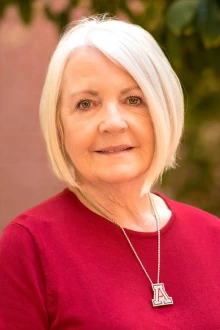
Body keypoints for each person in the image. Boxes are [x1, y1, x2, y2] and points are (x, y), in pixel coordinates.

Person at [0, 14, 219, 330]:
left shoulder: (214, 236)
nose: (113, 123)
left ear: (164, 111)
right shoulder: (29, 247)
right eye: (86, 104)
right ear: (59, 124)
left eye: (134, 99)